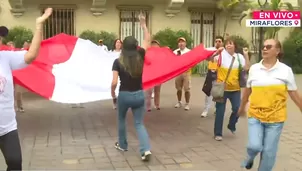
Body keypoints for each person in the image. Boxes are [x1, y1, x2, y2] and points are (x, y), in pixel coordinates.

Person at [0, 8, 52, 171]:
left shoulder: (5, 58)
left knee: (15, 164)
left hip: (7, 127)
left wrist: (39, 25)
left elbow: (30, 55)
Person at [238, 39, 302, 171]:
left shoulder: (285, 71)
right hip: (255, 115)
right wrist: (242, 107)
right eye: (263, 46)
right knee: (254, 146)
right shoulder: (254, 69)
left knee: (268, 152)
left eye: (268, 46)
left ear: (277, 51)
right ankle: (249, 159)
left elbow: (294, 93)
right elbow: (247, 91)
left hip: (276, 118)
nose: (264, 49)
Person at [111, 13, 152, 161]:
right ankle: (145, 149)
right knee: (139, 123)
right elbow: (148, 39)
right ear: (135, 46)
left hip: (124, 95)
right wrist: (143, 24)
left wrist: (113, 96)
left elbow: (114, 83)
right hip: (139, 94)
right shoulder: (140, 54)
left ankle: (122, 145)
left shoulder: (117, 61)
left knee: (121, 119)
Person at [213, 37, 250, 141]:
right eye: (227, 44)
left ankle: (231, 124)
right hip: (222, 89)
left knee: (237, 109)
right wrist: (216, 51)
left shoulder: (239, 57)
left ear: (235, 46)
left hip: (235, 89)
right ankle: (218, 133)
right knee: (220, 111)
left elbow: (247, 68)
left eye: (231, 44)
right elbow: (210, 59)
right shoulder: (220, 55)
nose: (228, 45)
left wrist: (246, 55)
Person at [201, 36, 224, 117]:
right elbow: (206, 58)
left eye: (219, 41)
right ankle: (206, 110)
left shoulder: (224, 52)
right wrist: (215, 54)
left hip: (220, 74)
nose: (217, 43)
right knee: (208, 92)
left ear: (222, 43)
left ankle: (217, 109)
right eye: (216, 41)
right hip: (211, 72)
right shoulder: (211, 50)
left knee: (218, 93)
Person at [173, 37, 191, 110]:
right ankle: (179, 101)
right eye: (179, 42)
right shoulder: (175, 52)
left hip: (186, 72)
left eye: (182, 42)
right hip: (178, 72)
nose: (181, 43)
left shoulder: (189, 51)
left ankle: (187, 103)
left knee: (187, 89)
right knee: (178, 89)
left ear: (185, 43)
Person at [145, 40, 161, 111]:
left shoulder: (161, 54)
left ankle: (157, 105)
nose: (154, 45)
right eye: (153, 44)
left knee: (157, 91)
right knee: (149, 91)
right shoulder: (148, 53)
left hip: (159, 75)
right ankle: (148, 106)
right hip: (150, 75)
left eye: (156, 44)